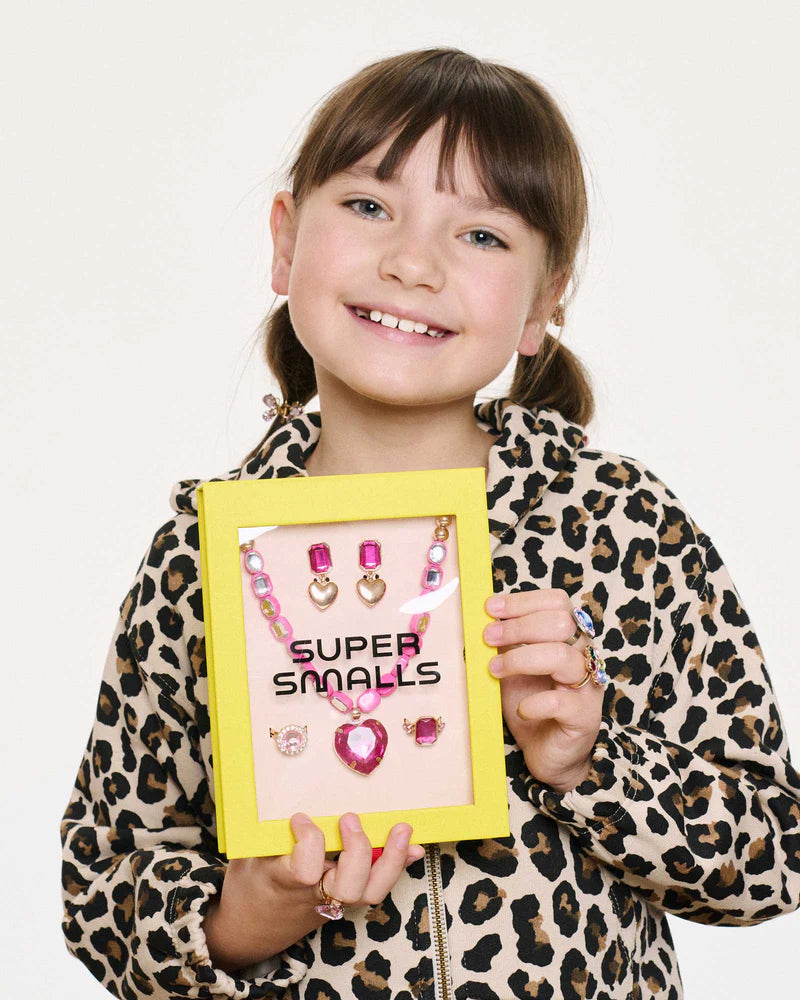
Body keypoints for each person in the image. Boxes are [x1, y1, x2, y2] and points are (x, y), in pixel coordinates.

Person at [60, 47, 800, 999]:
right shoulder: (204, 560)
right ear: (285, 240)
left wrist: (589, 766)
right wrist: (247, 916)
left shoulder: (621, 523)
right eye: (369, 206)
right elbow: (100, 886)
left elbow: (773, 856)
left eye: (482, 234)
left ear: (545, 301)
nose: (412, 263)